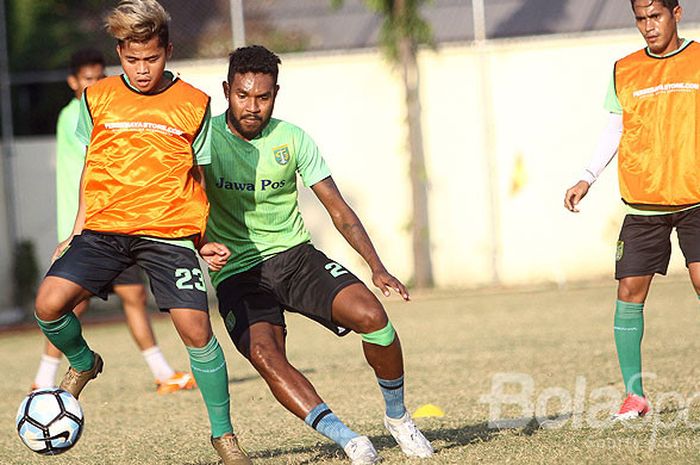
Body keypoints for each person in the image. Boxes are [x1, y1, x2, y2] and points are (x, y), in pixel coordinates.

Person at [32, 2, 250, 464]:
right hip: (105, 229)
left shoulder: (195, 103)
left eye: (151, 58)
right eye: (132, 60)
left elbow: (200, 177)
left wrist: (202, 237)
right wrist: (75, 231)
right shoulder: (99, 97)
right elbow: (91, 166)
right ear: (120, 53)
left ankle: (224, 437)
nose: (142, 69)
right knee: (48, 304)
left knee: (196, 329)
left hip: (168, 233)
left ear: (167, 50)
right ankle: (83, 361)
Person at [204, 45, 433, 465]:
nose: (253, 106)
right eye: (243, 95)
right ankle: (348, 439)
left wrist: (376, 267)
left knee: (374, 318)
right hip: (238, 273)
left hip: (294, 258)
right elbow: (181, 199)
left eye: (263, 96)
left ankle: (398, 419)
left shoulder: (292, 139)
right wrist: (201, 242)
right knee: (265, 355)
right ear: (226, 90)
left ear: (276, 93)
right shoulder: (205, 141)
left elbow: (338, 208)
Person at [564, 0, 699, 421]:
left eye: (655, 16)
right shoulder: (625, 68)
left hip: (695, 197)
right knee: (628, 293)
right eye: (640, 19)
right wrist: (587, 176)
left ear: (676, 14)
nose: (648, 26)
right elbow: (616, 127)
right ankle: (635, 396)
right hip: (643, 202)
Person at [32, 48, 195, 395]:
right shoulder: (75, 115)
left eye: (98, 76)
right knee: (68, 304)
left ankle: (162, 372)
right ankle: (44, 378)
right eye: (88, 79)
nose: (95, 83)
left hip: (116, 221)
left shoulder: (108, 108)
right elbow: (102, 166)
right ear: (74, 82)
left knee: (133, 295)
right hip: (93, 225)